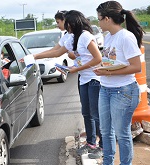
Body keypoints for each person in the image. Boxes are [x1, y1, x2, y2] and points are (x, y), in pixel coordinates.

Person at [33, 10, 103, 158]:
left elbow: (98, 58)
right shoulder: (72, 37)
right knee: (86, 112)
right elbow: (57, 52)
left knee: (96, 114)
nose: (64, 25)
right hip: (83, 78)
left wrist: (77, 68)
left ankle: (102, 146)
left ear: (72, 23)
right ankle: (91, 143)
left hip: (94, 79)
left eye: (65, 23)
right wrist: (35, 56)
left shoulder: (85, 36)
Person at [93, 1, 144, 164]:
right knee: (106, 131)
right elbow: (111, 61)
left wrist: (107, 71)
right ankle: (108, 162)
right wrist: (102, 67)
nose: (98, 23)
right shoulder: (108, 37)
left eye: (99, 19)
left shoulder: (126, 37)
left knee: (122, 133)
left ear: (107, 19)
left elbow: (136, 67)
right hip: (105, 88)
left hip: (123, 91)